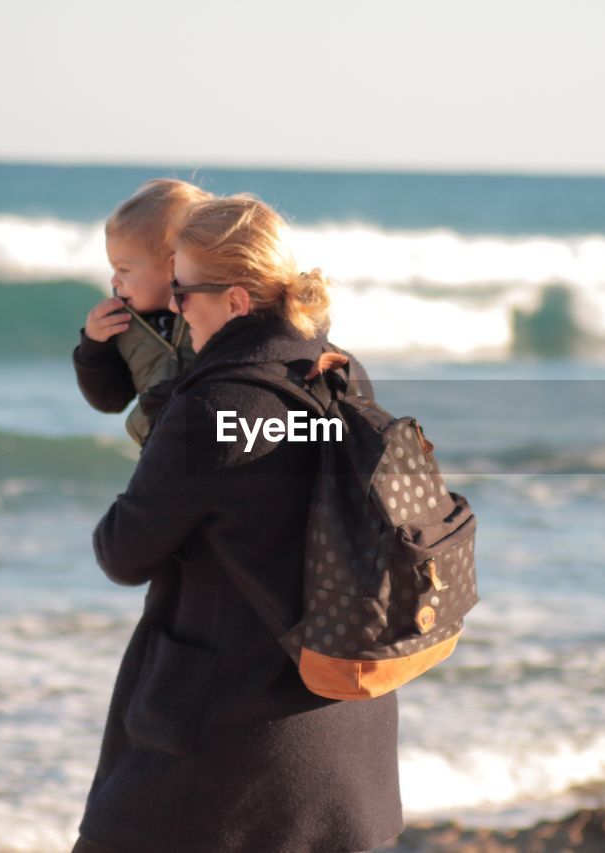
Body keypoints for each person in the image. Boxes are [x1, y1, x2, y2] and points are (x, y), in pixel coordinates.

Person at [73, 196, 403, 853]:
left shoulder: (215, 406)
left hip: (220, 752)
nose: (175, 306)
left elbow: (122, 549)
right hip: (344, 741)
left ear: (238, 301)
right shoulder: (342, 374)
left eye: (186, 289)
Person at [73, 179, 212, 447]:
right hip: (159, 450)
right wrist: (94, 346)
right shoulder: (124, 325)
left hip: (214, 440)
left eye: (124, 270)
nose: (114, 281)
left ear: (173, 266)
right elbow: (109, 400)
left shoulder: (211, 310)